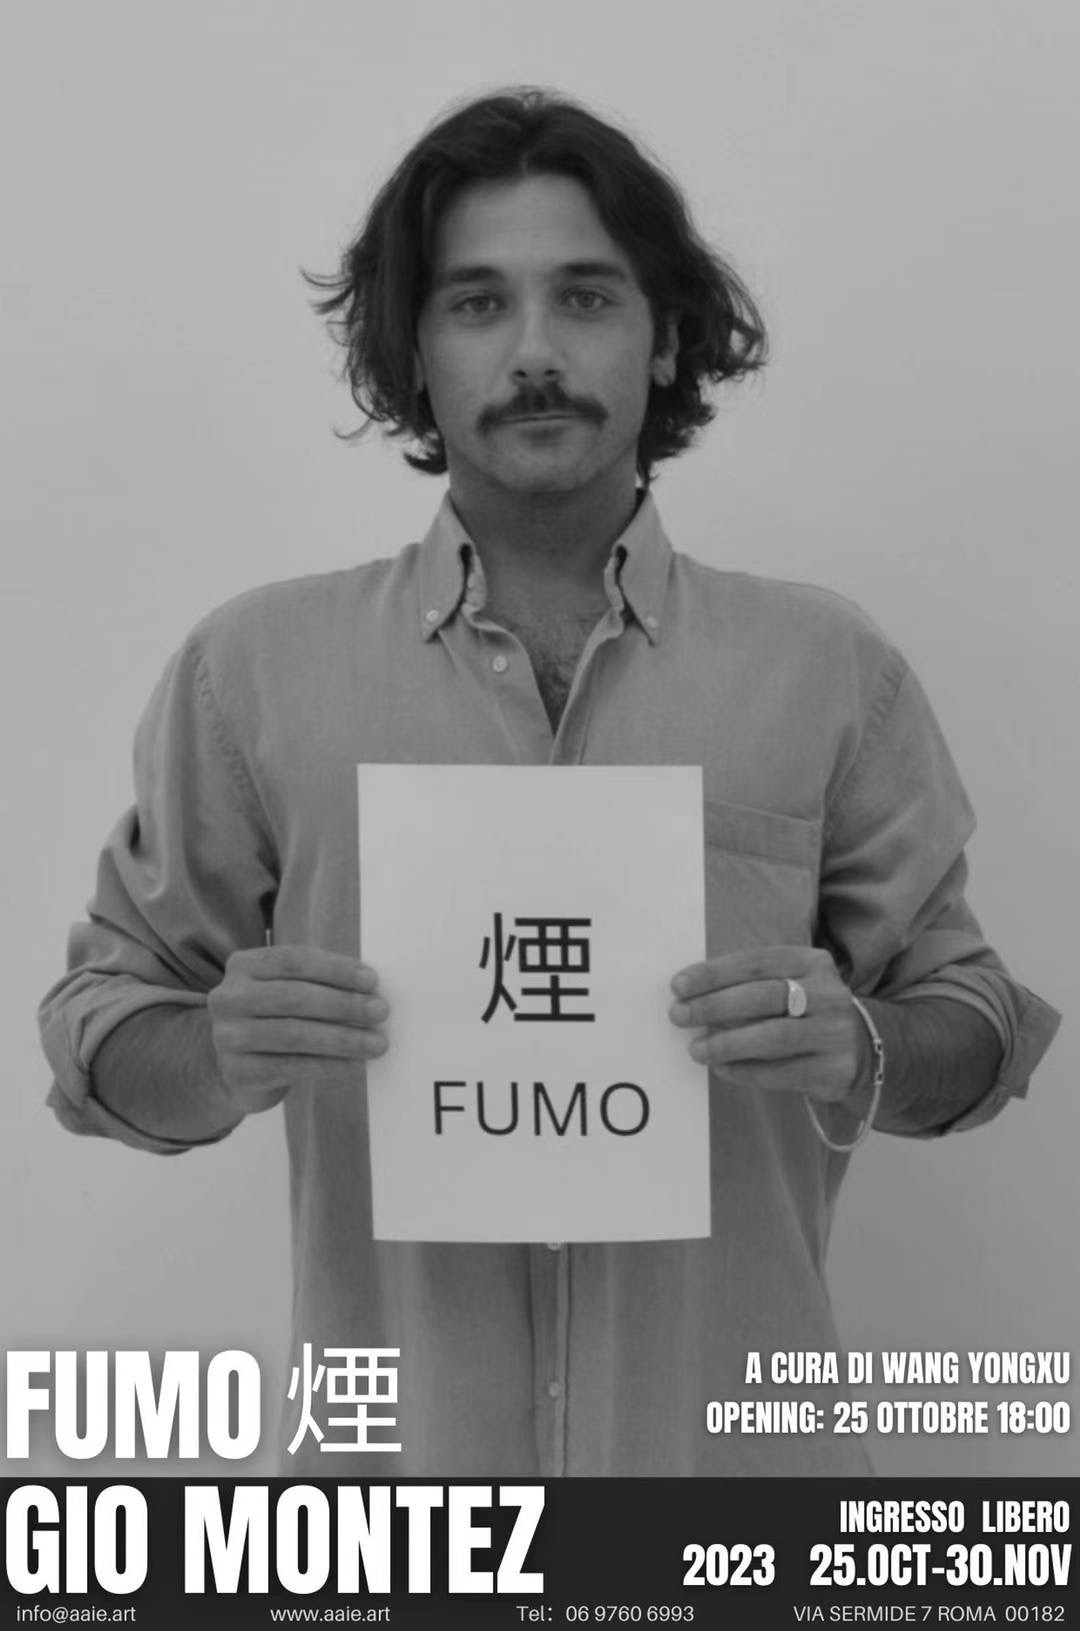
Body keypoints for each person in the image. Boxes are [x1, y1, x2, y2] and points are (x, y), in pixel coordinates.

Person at [39, 88, 1059, 1477]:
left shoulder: (828, 669)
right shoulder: (253, 673)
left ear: (665, 337)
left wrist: (862, 1046)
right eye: (476, 303)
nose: (533, 352)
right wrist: (215, 1053)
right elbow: (101, 1030)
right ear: (413, 350)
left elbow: (976, 1028)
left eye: (585, 297)